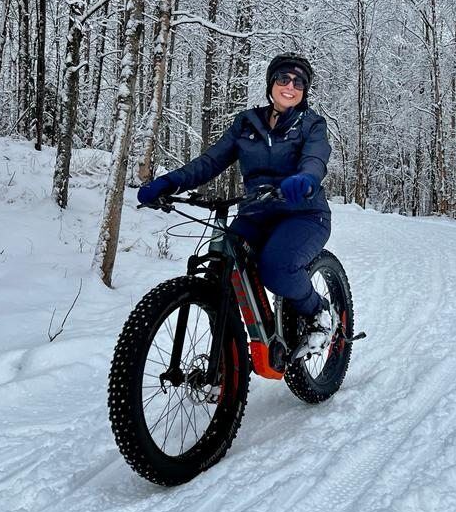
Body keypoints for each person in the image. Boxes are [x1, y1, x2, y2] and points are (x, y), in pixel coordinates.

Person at [137, 52, 334, 357]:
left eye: (299, 82)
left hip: (303, 213)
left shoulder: (312, 125)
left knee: (276, 267)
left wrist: (306, 179)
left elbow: (315, 157)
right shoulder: (247, 123)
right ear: (271, 83)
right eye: (284, 78)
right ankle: (227, 362)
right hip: (256, 212)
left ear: (304, 90)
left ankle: (318, 315)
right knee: (222, 265)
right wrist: (168, 182)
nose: (290, 86)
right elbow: (210, 161)